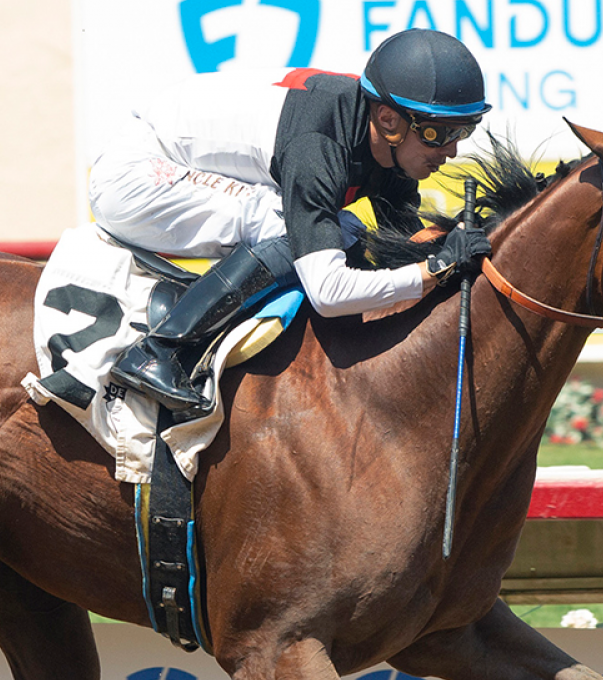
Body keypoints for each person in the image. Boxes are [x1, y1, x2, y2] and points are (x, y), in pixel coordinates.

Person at [87, 28, 494, 417]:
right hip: (134, 177)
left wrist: (454, 241)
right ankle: (160, 351)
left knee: (347, 233)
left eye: (463, 131)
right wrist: (435, 268)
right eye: (439, 133)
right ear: (389, 120)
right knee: (302, 229)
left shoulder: (385, 136)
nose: (453, 151)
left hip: (173, 159)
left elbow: (406, 243)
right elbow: (329, 292)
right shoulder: (318, 145)